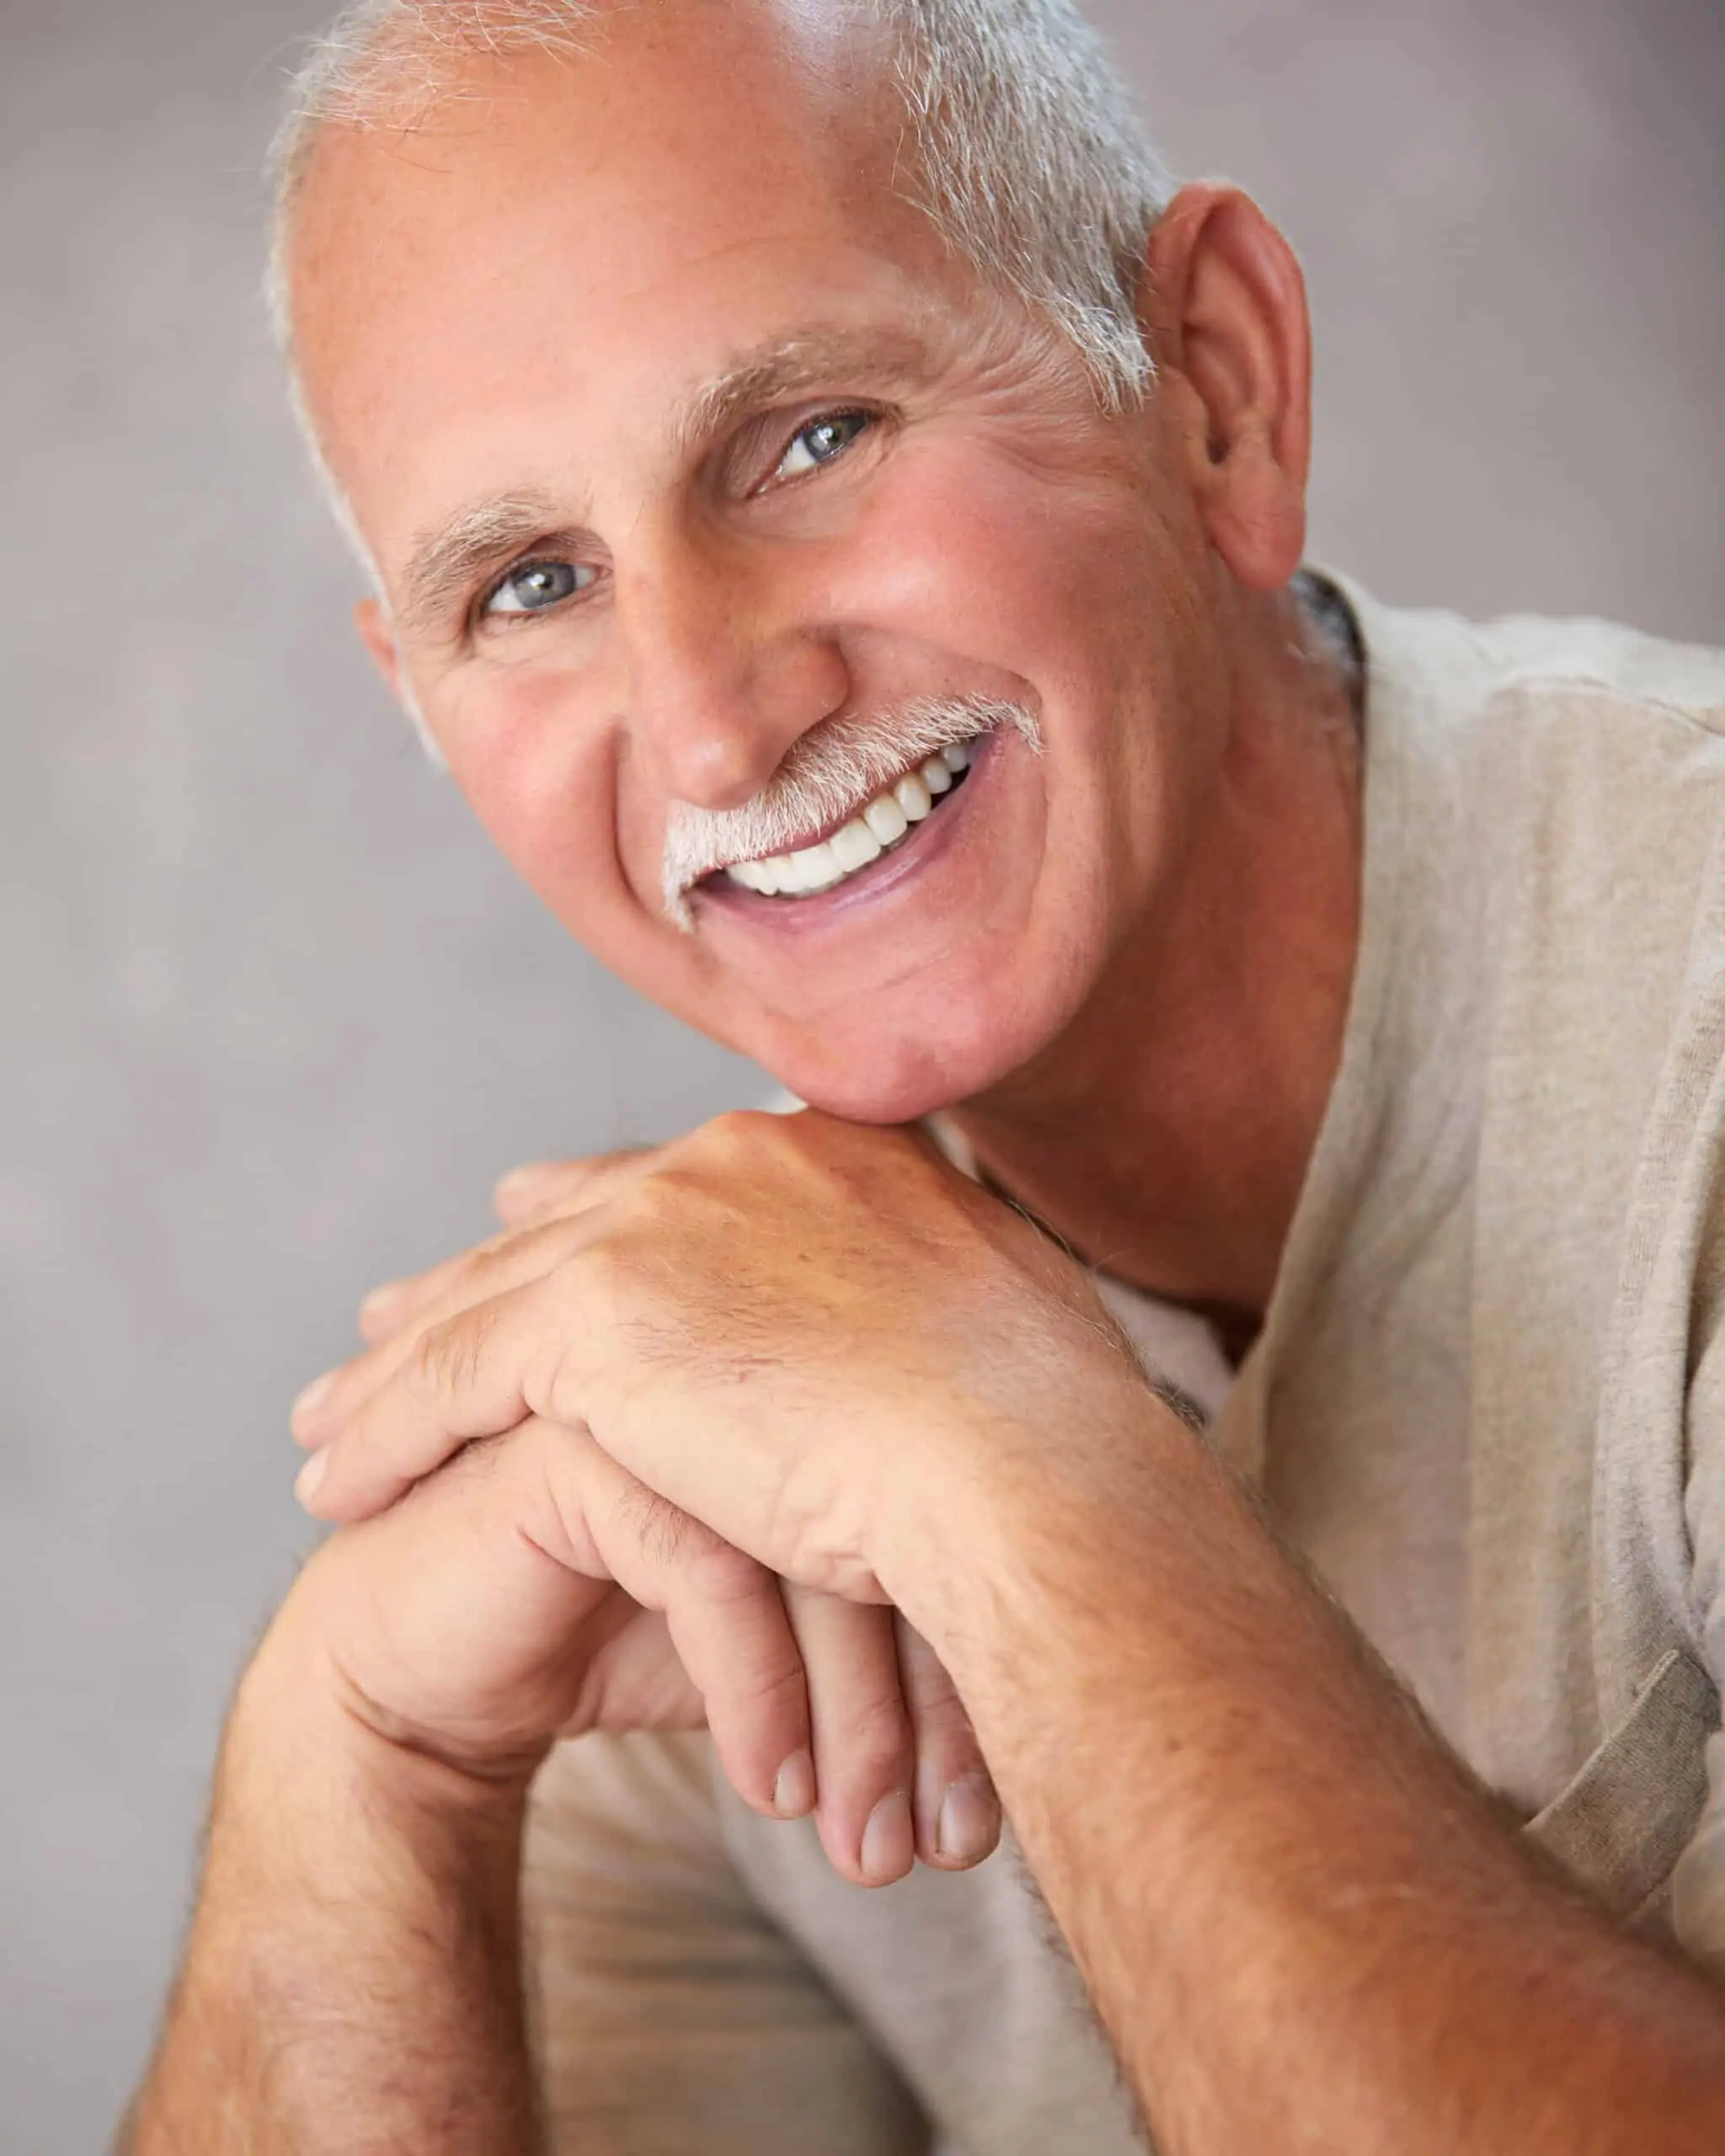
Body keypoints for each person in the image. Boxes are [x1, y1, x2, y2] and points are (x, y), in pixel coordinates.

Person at [122, 0, 1725, 2148]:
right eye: (533, 582)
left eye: (809, 438)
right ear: (416, 692)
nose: (710, 723)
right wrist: (358, 1748)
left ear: (1215, 389)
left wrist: (1025, 1469)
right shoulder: (675, 1465)